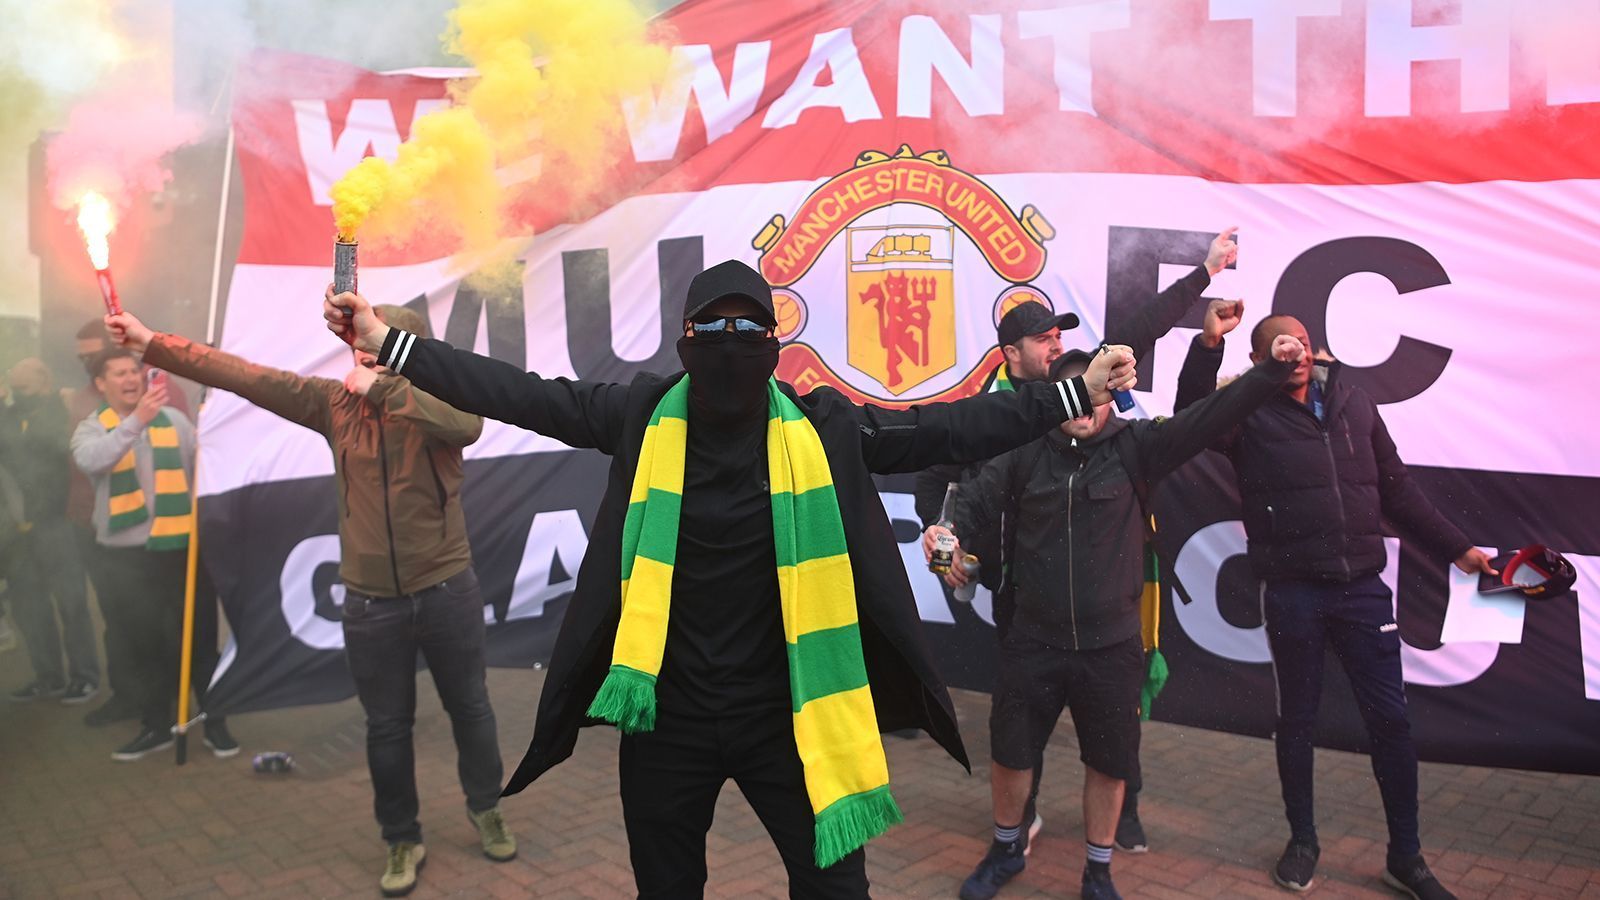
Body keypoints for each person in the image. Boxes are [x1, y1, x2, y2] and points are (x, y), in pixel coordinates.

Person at [322, 259, 1139, 898]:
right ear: (684, 340)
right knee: (668, 888)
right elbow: (518, 395)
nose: (730, 339)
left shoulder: (822, 428)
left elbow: (948, 426)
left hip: (791, 714)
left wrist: (1073, 388)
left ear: (774, 344)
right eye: (712, 325)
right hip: (665, 719)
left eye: (749, 326)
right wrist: (388, 345)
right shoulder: (640, 415)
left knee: (835, 887)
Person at [107, 306, 513, 897]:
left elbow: (468, 427)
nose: (363, 356)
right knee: (387, 726)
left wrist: (388, 388)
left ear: (408, 351)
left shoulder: (439, 402)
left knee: (471, 709)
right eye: (359, 348)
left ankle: (487, 809)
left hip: (447, 587)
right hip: (373, 604)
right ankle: (401, 838)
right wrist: (152, 344)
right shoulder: (332, 403)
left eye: (379, 346)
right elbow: (243, 374)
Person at [929, 334, 1305, 900]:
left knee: (1109, 763)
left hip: (1111, 646)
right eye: (1073, 396)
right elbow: (966, 506)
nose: (1084, 408)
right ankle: (1006, 849)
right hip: (1032, 639)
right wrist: (942, 539)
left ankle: (1098, 870)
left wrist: (1272, 370)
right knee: (1010, 754)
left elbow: (1210, 415)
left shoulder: (1139, 447)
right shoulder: (1021, 452)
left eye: (1096, 396)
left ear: (1112, 397)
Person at [913, 227, 1242, 854]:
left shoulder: (1081, 390)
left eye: (1062, 335)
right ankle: (1020, 822)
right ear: (1011, 355)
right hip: (1020, 589)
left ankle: (1129, 811)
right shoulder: (988, 410)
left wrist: (1205, 273)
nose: (1059, 346)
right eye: (1045, 339)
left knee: (1117, 703)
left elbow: (1140, 327)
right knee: (1019, 720)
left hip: (1103, 581)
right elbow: (933, 475)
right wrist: (939, 536)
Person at [1173, 314, 1495, 900]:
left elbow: (1397, 489)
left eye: (1299, 340)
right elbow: (1188, 420)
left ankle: (1406, 856)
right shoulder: (1245, 414)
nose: (1294, 352)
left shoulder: (1356, 403)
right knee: (1297, 720)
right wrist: (1208, 346)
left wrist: (1458, 549)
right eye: (1278, 345)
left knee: (1392, 721)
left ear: (1316, 349)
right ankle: (1302, 842)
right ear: (1264, 358)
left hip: (1362, 589)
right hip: (1292, 590)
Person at [70, 349, 196, 762]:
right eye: (119, 374)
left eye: (134, 370)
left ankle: (175, 717)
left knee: (175, 638)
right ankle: (155, 722)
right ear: (102, 385)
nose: (130, 378)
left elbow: (199, 471)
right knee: (140, 644)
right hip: (124, 557)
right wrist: (136, 421)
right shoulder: (91, 428)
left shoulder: (176, 422)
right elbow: (94, 460)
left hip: (173, 549)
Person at [1, 358, 100, 704]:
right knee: (29, 607)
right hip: (18, 528)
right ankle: (48, 677)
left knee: (71, 603)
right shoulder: (10, 416)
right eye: (13, 388)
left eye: (23, 388)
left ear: (44, 384)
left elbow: (69, 452)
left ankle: (85, 676)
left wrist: (67, 409)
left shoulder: (61, 414)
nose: (17, 395)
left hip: (58, 524)